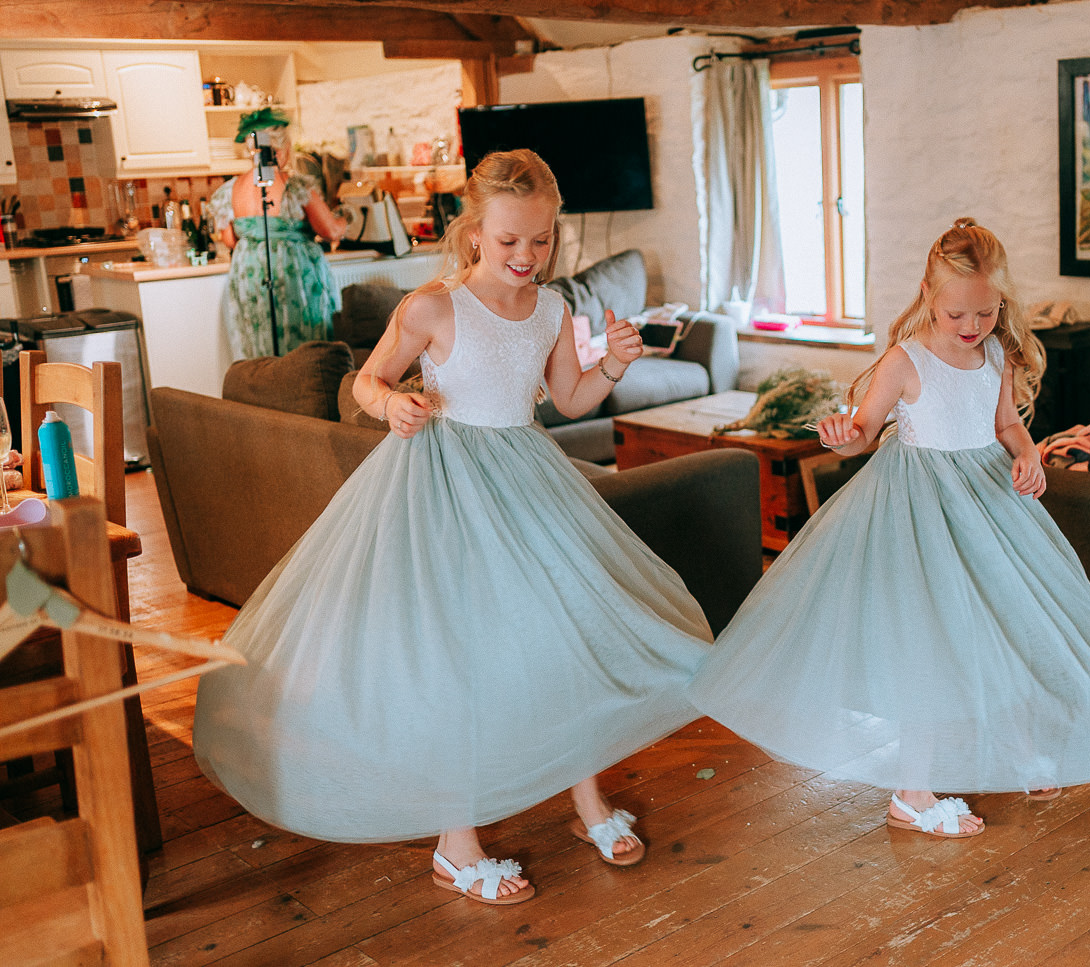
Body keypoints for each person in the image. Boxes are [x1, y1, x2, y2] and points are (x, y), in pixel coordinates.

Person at [193, 149, 714, 904]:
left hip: (529, 488)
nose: (526, 256)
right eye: (510, 242)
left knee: (559, 638)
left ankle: (588, 802)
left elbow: (567, 398)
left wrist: (615, 365)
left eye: (541, 241)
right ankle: (455, 845)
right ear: (475, 234)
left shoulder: (553, 310)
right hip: (443, 492)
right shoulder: (434, 307)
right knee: (460, 659)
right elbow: (363, 380)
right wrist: (391, 404)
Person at [687, 218, 1090, 837]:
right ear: (928, 292)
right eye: (958, 313)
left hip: (988, 504)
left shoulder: (995, 355)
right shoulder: (906, 360)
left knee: (1002, 621)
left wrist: (1029, 453)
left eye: (985, 312)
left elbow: (1006, 424)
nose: (971, 326)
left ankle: (1010, 750)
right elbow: (865, 432)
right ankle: (913, 791)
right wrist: (845, 435)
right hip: (919, 511)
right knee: (933, 643)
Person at [211, 107, 348, 359]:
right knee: (303, 344)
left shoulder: (229, 190)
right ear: (281, 148)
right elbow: (329, 230)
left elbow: (230, 240)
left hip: (249, 275)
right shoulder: (296, 187)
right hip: (292, 273)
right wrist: (346, 218)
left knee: (259, 343)